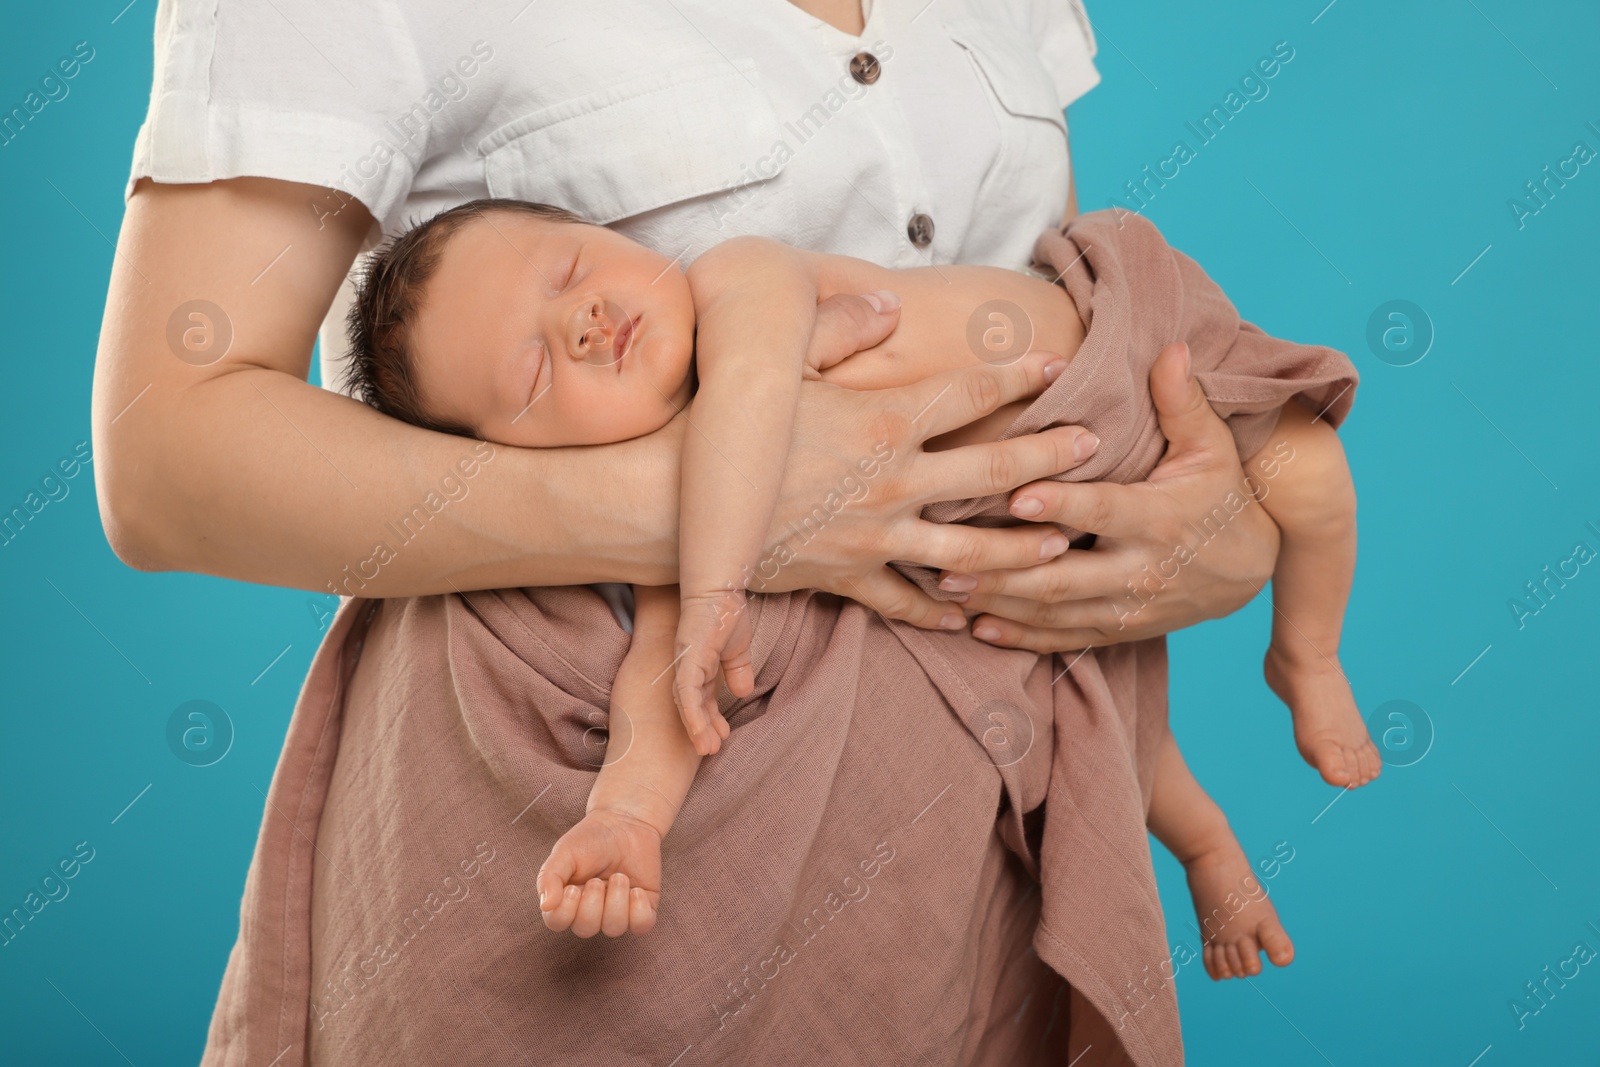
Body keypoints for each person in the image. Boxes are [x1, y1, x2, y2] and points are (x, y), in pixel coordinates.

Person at [92, 0, 1337, 1060]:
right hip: (585, 804)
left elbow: (1040, 308)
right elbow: (167, 457)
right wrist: (732, 523)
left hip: (969, 846)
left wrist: (1215, 523)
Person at [340, 196, 1372, 979]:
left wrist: (716, 596)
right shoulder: (679, 503)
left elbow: (750, 395)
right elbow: (658, 680)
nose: (583, 317)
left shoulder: (736, 280)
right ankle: (1207, 846)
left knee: (1309, 473)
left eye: (569, 265)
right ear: (519, 452)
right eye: (529, 376)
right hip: (1046, 513)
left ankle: (1307, 653)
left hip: (1132, 356)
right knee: (1088, 705)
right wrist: (626, 817)